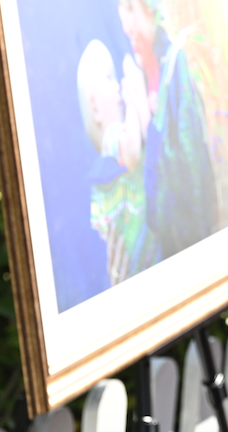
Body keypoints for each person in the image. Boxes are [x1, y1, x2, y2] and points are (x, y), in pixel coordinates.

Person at [104, 0, 218, 259]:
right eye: (120, 7)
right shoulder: (144, 76)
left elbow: (189, 185)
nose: (126, 23)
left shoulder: (178, 69)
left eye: (132, 8)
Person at [76, 38, 160, 285]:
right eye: (109, 78)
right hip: (132, 246)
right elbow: (132, 153)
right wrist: (135, 102)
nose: (117, 87)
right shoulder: (113, 139)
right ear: (94, 107)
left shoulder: (122, 131)